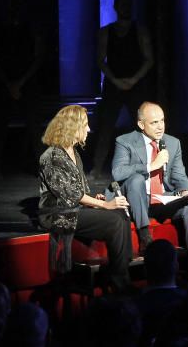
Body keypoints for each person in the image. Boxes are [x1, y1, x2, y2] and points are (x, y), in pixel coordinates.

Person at [37, 105, 133, 292]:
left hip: (75, 209)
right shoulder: (52, 157)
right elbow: (71, 195)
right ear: (72, 127)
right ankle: (120, 281)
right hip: (58, 214)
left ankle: (122, 269)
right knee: (113, 219)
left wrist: (96, 200)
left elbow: (80, 192)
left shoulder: (75, 153)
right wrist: (104, 204)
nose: (89, 129)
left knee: (121, 214)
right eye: (85, 125)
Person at [111, 101, 188, 253]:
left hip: (162, 199)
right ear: (141, 124)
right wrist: (151, 166)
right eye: (154, 122)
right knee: (136, 179)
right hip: (136, 200)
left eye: (162, 121)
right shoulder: (125, 141)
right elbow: (118, 172)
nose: (160, 126)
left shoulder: (173, 143)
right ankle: (145, 237)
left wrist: (184, 191)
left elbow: (179, 176)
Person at [90, 0, 154, 181]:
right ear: (116, 7)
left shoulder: (140, 31)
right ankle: (97, 167)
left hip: (135, 84)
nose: (126, 8)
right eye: (123, 5)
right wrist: (115, 79)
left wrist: (133, 79)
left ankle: (150, 166)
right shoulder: (106, 32)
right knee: (106, 127)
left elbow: (149, 59)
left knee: (144, 127)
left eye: (129, 5)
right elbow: (101, 60)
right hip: (114, 85)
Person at [0, 0, 44, 179]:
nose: (13, 10)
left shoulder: (31, 29)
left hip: (26, 82)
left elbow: (37, 56)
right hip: (6, 82)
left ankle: (43, 167)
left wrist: (20, 82)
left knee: (35, 128)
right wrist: (9, 83)